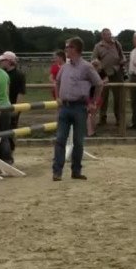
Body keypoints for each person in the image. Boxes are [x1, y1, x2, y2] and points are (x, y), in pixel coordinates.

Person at [53, 37, 103, 181]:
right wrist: (58, 97)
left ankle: (76, 170)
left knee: (78, 141)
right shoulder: (64, 67)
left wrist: (93, 102)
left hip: (79, 107)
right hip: (65, 107)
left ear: (75, 49)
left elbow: (99, 84)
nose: (66, 49)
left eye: (67, 47)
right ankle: (57, 172)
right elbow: (57, 81)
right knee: (60, 139)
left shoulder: (87, 67)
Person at [92, 28, 126, 126]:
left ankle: (119, 119)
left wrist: (123, 60)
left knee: (118, 97)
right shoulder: (98, 46)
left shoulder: (117, 44)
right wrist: (98, 66)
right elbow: (94, 59)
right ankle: (102, 119)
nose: (109, 36)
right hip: (103, 74)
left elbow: (122, 56)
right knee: (103, 97)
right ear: (102, 36)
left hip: (117, 73)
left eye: (110, 34)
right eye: (107, 34)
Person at [0, 51, 26, 158]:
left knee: (12, 130)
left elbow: (21, 92)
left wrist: (16, 108)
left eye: (3, 60)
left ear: (9, 62)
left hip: (13, 105)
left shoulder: (19, 75)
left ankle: (11, 153)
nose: (0, 62)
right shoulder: (2, 73)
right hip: (3, 106)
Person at [87, 59, 108, 136]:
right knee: (91, 114)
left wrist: (101, 82)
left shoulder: (98, 72)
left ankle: (91, 130)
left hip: (94, 96)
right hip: (90, 96)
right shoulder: (90, 72)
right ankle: (91, 130)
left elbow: (106, 79)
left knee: (91, 114)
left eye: (96, 65)